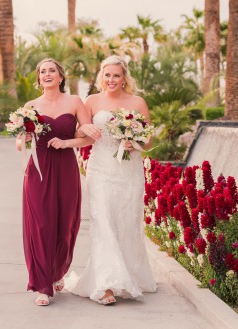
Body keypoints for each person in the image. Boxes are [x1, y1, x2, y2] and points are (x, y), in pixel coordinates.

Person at [62, 55, 157, 305]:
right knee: (102, 222)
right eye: (107, 75)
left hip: (129, 171)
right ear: (100, 77)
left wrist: (133, 142)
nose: (111, 79)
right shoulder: (91, 101)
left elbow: (148, 141)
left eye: (116, 75)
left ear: (124, 78)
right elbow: (80, 132)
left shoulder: (138, 102)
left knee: (126, 222)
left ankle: (127, 276)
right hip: (100, 170)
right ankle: (105, 285)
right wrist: (82, 131)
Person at [17, 58, 92, 306]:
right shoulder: (30, 106)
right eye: (42, 72)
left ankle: (58, 270)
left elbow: (88, 137)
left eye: (52, 70)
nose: (47, 74)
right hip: (38, 169)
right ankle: (43, 285)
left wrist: (67, 142)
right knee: (40, 223)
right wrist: (23, 138)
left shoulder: (75, 102)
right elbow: (21, 142)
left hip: (66, 168)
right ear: (39, 79)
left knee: (65, 222)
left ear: (61, 76)